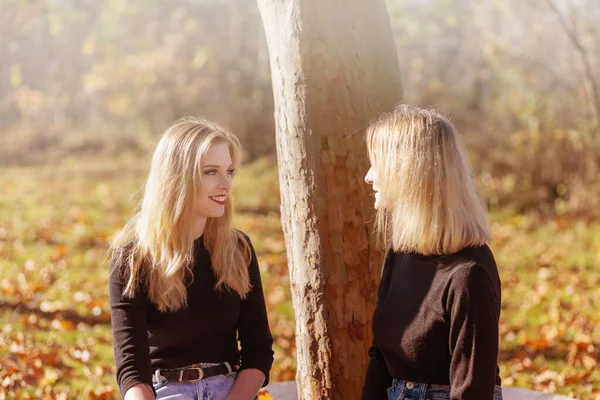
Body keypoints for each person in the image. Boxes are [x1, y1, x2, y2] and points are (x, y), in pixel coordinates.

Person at [109, 117, 273, 400]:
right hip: (165, 392)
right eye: (211, 172)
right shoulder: (133, 257)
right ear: (177, 178)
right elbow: (132, 370)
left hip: (232, 390)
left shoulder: (238, 248)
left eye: (229, 171)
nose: (226, 184)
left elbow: (258, 352)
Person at [360, 105, 503, 400]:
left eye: (377, 164)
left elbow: (472, 391)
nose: (368, 177)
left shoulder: (469, 274)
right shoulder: (400, 253)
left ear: (408, 173)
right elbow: (381, 355)